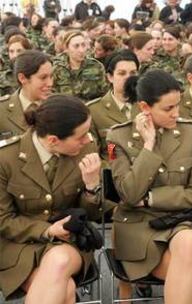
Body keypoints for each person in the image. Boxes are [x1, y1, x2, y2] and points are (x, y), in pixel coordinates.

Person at [106, 69, 192, 303]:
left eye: (178, 105)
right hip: (139, 229)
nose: (176, 113)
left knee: (189, 241)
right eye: (168, 108)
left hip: (183, 220)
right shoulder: (118, 137)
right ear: (145, 107)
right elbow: (129, 195)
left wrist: (150, 198)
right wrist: (148, 145)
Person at [0, 94, 102, 302]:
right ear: (53, 140)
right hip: (19, 247)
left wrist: (92, 186)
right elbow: (3, 219)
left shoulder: (86, 150)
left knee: (59, 260)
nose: (88, 140)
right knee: (65, 289)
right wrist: (47, 230)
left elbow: (94, 215)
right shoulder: (6, 158)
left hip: (68, 244)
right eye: (81, 136)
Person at [87, 50, 139, 160]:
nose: (128, 78)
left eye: (133, 73)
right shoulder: (94, 111)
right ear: (110, 77)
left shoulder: (148, 106)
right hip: (113, 171)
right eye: (122, 73)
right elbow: (94, 154)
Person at [0, 50, 52, 140]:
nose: (50, 83)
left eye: (51, 76)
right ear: (22, 78)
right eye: (43, 78)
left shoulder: (60, 106)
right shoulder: (2, 110)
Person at [53, 30, 108, 101]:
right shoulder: (57, 68)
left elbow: (105, 94)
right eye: (76, 46)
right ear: (66, 48)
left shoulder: (96, 66)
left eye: (83, 45)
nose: (81, 50)